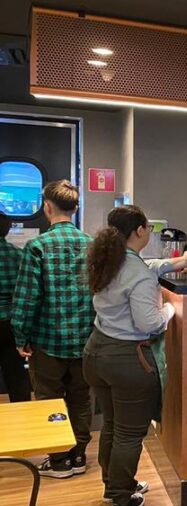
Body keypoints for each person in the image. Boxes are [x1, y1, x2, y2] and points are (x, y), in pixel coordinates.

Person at [85, 205, 187, 506]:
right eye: (149, 229)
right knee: (129, 433)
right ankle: (122, 497)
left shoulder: (110, 260)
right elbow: (150, 323)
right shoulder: (138, 274)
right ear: (140, 230)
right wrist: (170, 310)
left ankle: (113, 486)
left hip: (96, 353)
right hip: (126, 360)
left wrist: (177, 262)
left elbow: (146, 267)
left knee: (112, 425)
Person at [12, 180, 94, 478]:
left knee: (50, 399)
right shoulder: (92, 245)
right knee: (81, 398)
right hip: (86, 339)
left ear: (47, 207)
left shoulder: (36, 247)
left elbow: (26, 298)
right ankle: (79, 455)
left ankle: (59, 460)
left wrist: (21, 336)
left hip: (47, 340)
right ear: (75, 208)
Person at [0, 212, 31, 402]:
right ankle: (22, 413)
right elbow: (26, 294)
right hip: (10, 323)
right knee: (16, 375)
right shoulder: (19, 255)